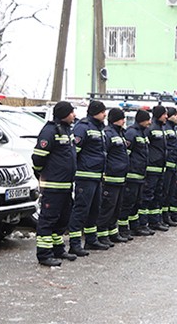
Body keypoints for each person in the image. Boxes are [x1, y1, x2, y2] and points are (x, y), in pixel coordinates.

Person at [32, 101, 78, 266]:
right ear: (64, 113)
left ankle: (58, 250)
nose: (74, 115)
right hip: (53, 185)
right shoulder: (50, 131)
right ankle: (44, 254)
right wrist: (42, 173)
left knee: (62, 219)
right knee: (48, 220)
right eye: (71, 112)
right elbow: (38, 157)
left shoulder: (66, 130)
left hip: (66, 185)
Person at [68, 101, 109, 256]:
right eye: (103, 111)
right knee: (81, 210)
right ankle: (75, 244)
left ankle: (91, 240)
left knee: (94, 209)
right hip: (85, 176)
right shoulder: (83, 127)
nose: (105, 114)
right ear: (95, 112)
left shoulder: (99, 128)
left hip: (96, 176)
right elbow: (74, 152)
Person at [96, 108, 130, 246]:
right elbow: (104, 155)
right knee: (107, 208)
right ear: (117, 119)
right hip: (111, 178)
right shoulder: (109, 133)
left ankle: (112, 233)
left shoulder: (120, 133)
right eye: (122, 118)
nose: (124, 120)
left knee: (116, 208)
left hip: (120, 178)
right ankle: (102, 235)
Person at [121, 110, 155, 237]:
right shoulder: (131, 132)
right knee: (127, 203)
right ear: (142, 120)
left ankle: (135, 227)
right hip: (132, 175)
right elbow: (126, 154)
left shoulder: (143, 133)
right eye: (148, 120)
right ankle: (123, 229)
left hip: (140, 175)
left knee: (136, 203)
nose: (150, 122)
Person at [143, 105, 169, 232]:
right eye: (165, 114)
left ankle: (155, 221)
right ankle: (143, 223)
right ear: (159, 115)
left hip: (160, 168)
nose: (166, 117)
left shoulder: (162, 128)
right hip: (152, 168)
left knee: (158, 196)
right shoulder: (151, 129)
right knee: (148, 196)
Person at [162, 107, 177, 227]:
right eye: (175, 114)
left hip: (173, 165)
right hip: (166, 166)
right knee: (164, 193)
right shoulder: (165, 128)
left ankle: (166, 216)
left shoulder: (174, 129)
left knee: (170, 193)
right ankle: (163, 218)